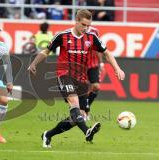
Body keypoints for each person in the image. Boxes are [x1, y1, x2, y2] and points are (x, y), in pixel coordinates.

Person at [28, 9, 125, 148]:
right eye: (84, 25)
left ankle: (47, 135)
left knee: (78, 117)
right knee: (73, 102)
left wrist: (117, 68)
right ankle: (87, 131)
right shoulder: (62, 35)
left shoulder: (92, 37)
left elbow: (107, 52)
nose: (86, 28)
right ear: (76, 21)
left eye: (88, 25)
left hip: (82, 79)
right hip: (64, 74)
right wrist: (33, 64)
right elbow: (46, 51)